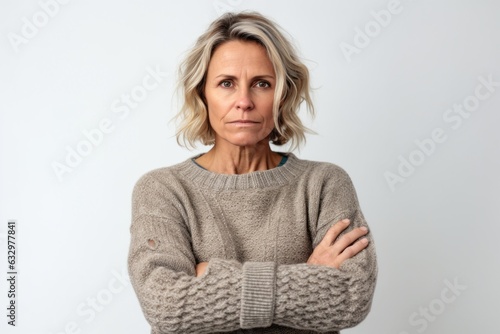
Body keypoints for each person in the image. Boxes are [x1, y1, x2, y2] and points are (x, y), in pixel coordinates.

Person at [128, 11, 377, 334]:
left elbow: (350, 300)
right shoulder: (163, 189)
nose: (243, 101)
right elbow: (166, 306)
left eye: (262, 84)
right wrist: (310, 272)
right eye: (226, 83)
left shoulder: (324, 184)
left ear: (283, 95)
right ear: (203, 94)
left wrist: (208, 274)